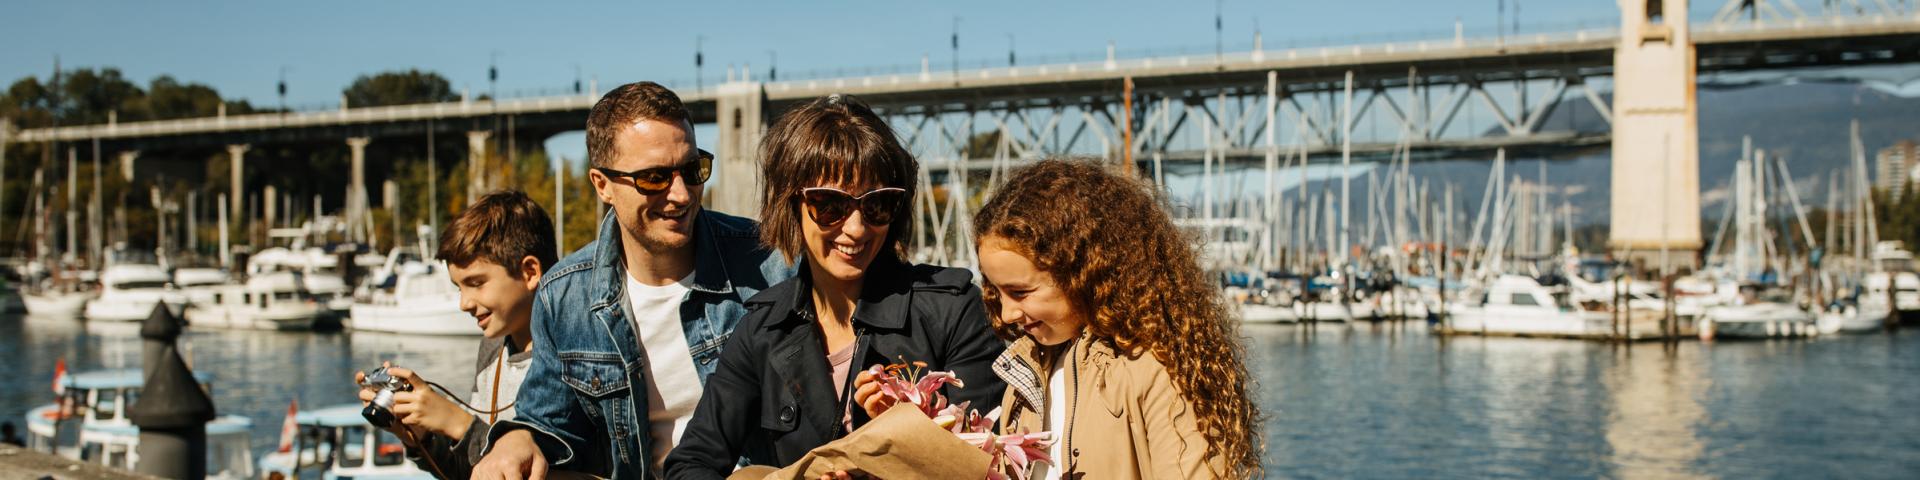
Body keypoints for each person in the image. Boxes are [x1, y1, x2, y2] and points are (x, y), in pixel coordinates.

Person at [663, 94, 1006, 479]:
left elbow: (988, 462)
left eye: (877, 205)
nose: (856, 229)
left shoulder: (952, 312)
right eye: (830, 205)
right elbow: (690, 465)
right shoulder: (763, 331)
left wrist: (907, 438)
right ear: (791, 204)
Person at [473, 82, 793, 479]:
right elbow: (549, 424)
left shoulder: (771, 263)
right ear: (602, 185)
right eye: (654, 177)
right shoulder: (564, 295)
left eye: (692, 170)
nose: (682, 194)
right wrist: (517, 439)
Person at [972, 159, 1262, 479]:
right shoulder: (1026, 367)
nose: (1006, 313)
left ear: (1083, 273)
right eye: (996, 291)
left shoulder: (1158, 370)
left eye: (1020, 292)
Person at [352, 190, 557, 479]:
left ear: (530, 272)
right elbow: (475, 472)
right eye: (459, 288)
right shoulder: (492, 347)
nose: (464, 303)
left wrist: (458, 423)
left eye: (476, 283)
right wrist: (420, 437)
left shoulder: (573, 352)